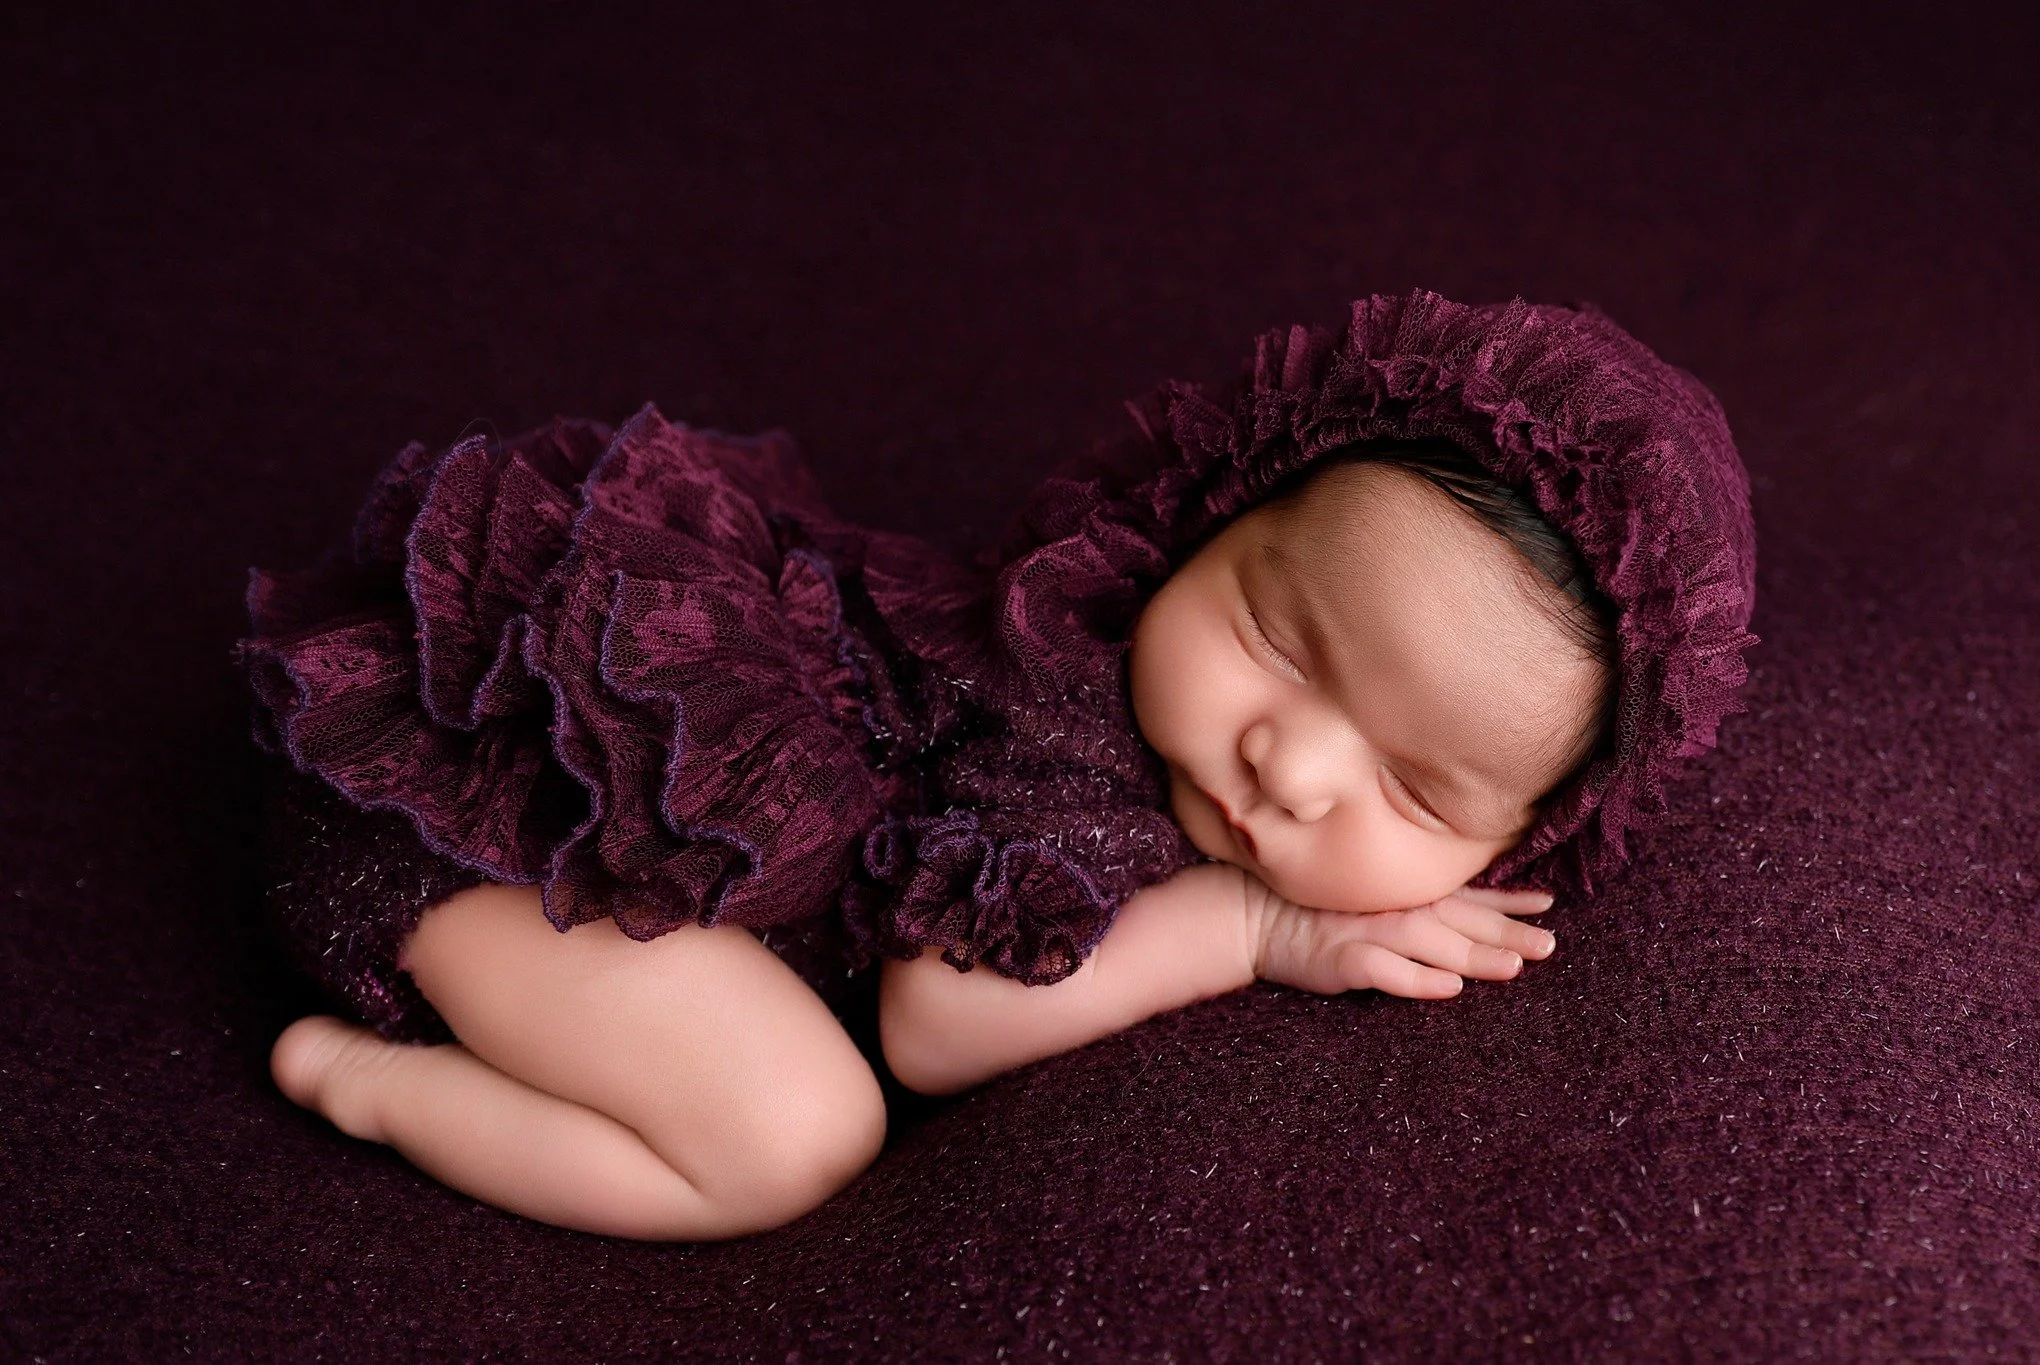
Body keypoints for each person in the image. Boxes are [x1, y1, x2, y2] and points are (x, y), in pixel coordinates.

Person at [235, 289, 1758, 1241]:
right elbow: (936, 1025)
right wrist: (1255, 929)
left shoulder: (1202, 735)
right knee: (787, 1140)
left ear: (1529, 837)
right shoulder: (1061, 718)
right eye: (1280, 643)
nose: (1287, 765)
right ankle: (371, 1080)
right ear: (1210, 516)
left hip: (594, 843)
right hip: (471, 826)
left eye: (1416, 794)